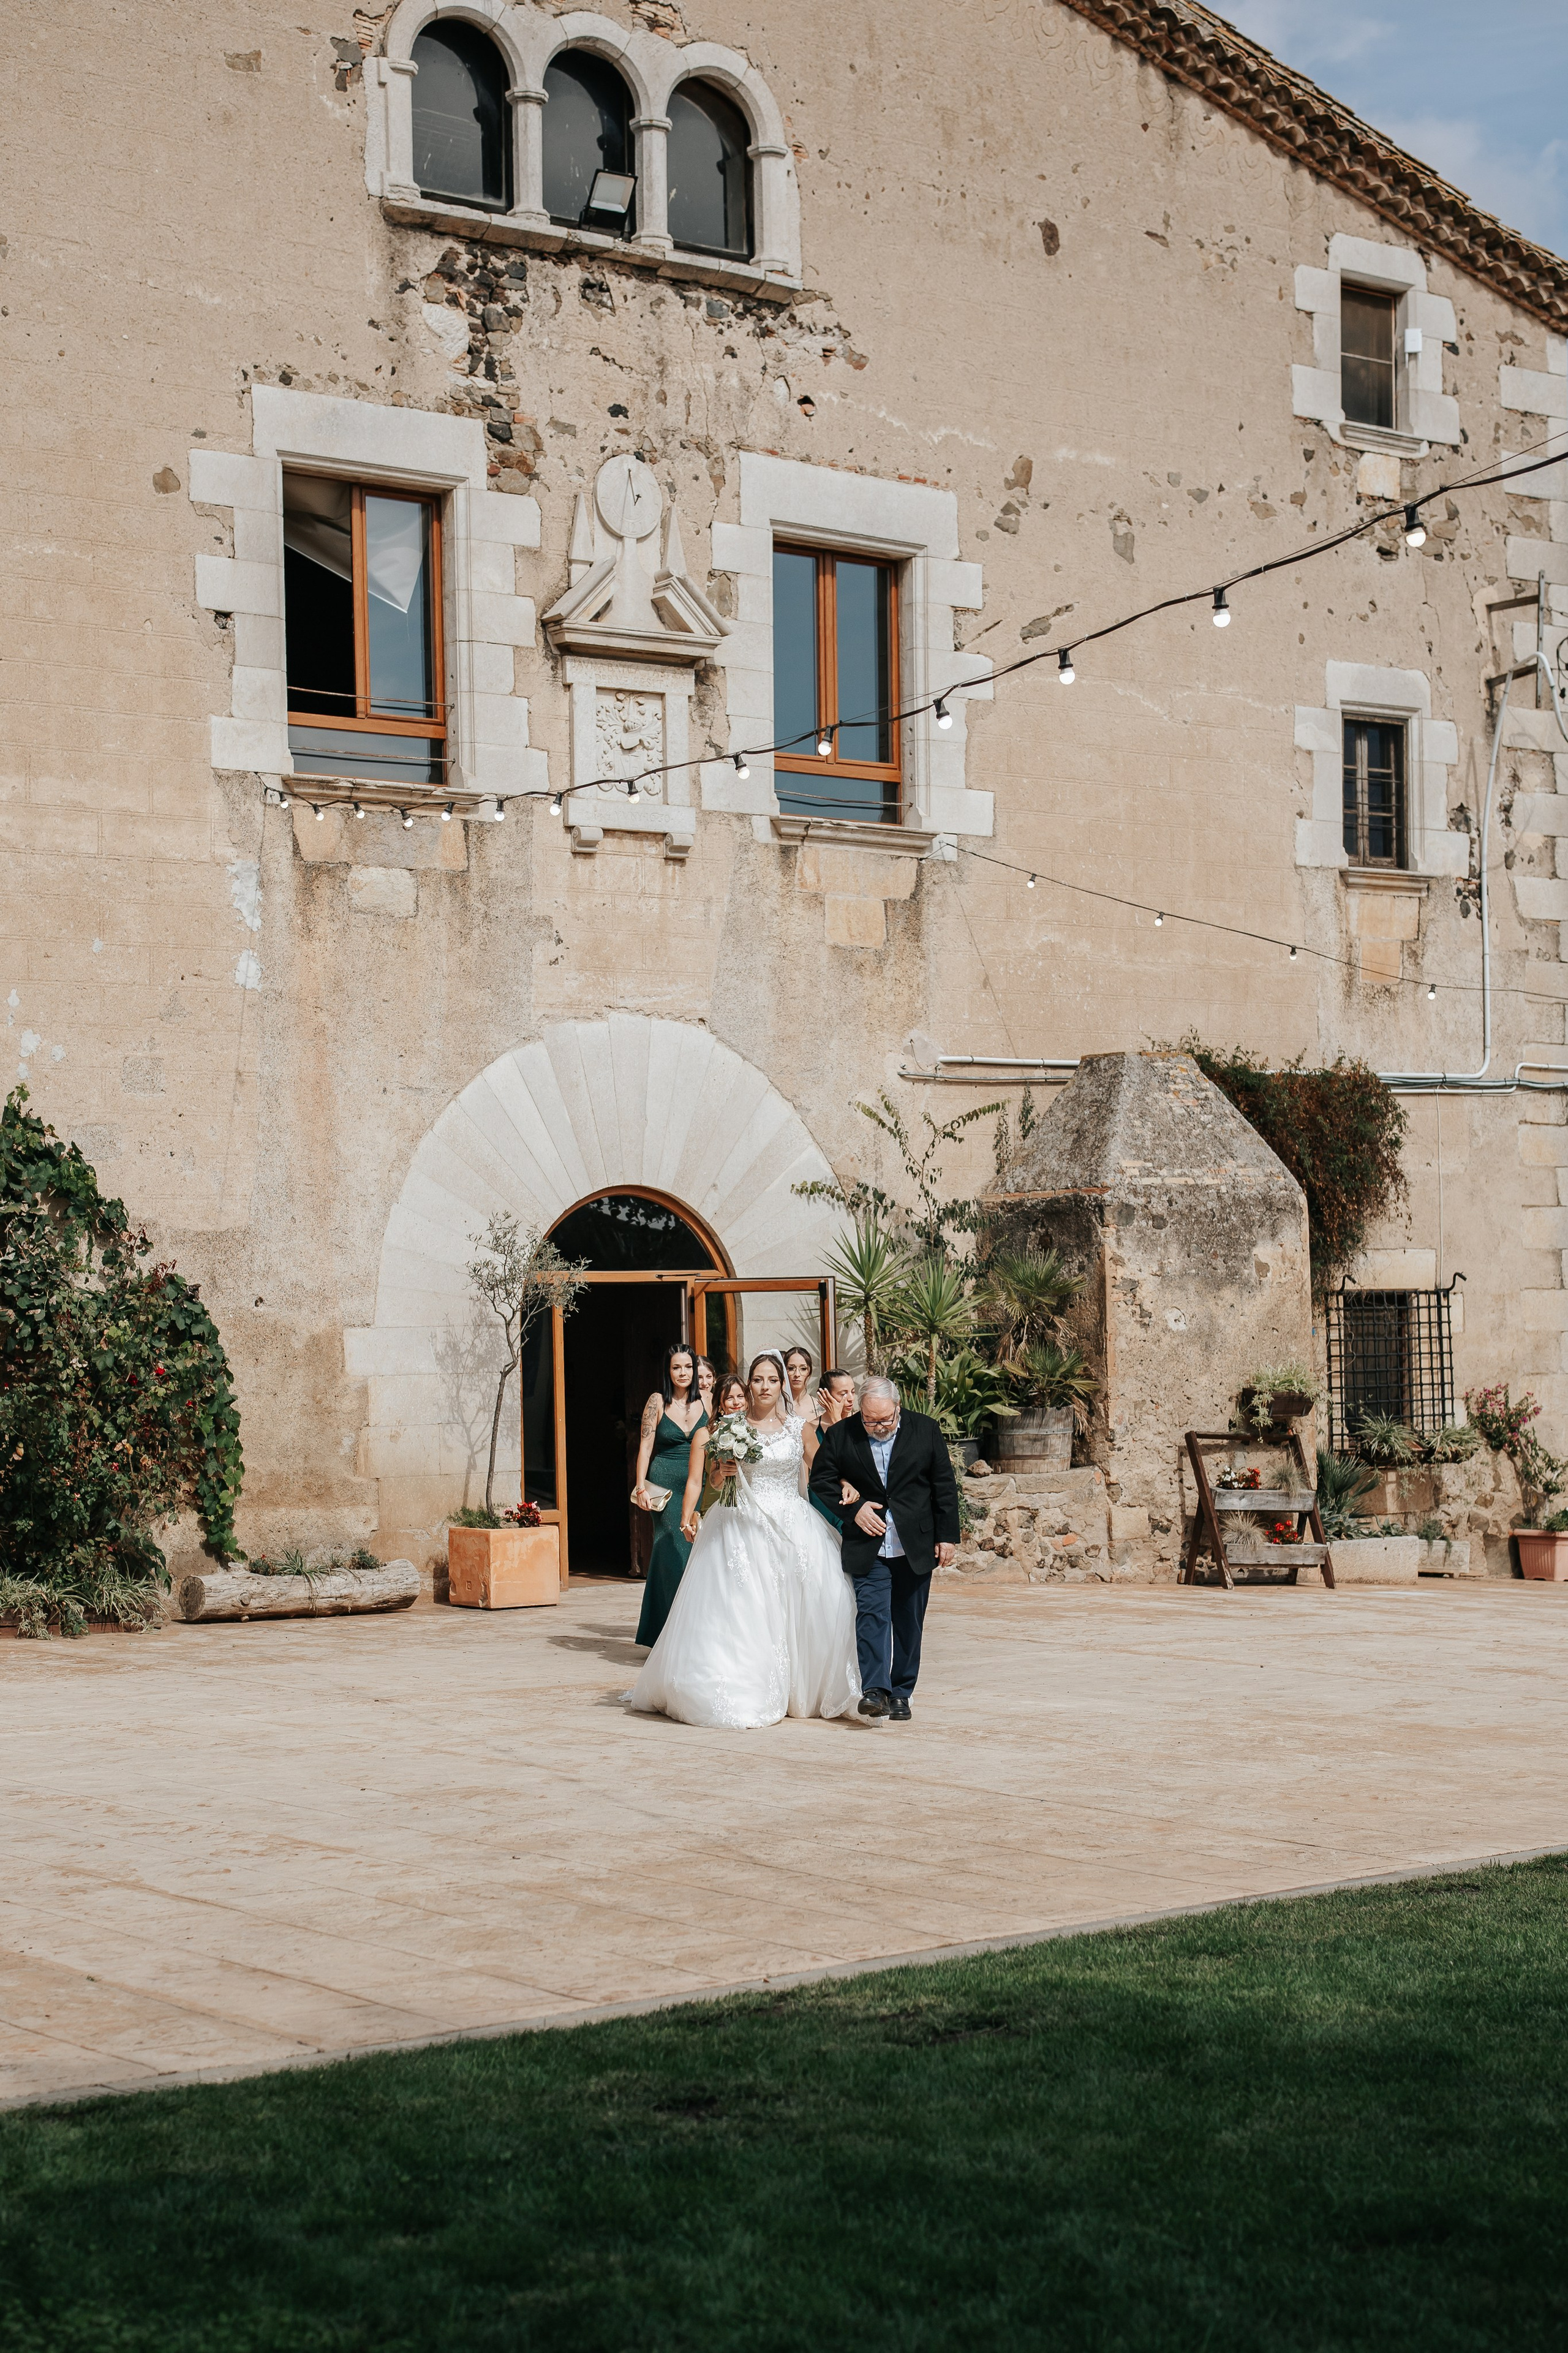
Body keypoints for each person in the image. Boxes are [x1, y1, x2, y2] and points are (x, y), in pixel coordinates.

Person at [626, 1354, 860, 1729]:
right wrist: (723, 1471)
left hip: (792, 1521)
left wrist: (847, 1485)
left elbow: (823, 1470)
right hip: (741, 1524)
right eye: (757, 1379)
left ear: (782, 1384)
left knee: (817, 1596)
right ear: (749, 1384)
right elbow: (716, 1484)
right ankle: (750, 1682)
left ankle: (802, 1688)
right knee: (744, 1608)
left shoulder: (799, 1427)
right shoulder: (731, 1428)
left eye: (772, 1379)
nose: (764, 1386)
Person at [807, 1373, 959, 1724]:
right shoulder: (841, 1435)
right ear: (860, 1410)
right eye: (870, 1420)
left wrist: (947, 1537)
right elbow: (821, 1480)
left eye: (886, 1419)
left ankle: (902, 1693)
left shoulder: (926, 1430)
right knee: (872, 1615)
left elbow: (944, 1486)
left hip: (915, 1544)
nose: (878, 1426)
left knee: (909, 1621)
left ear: (898, 1408)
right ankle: (875, 1690)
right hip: (868, 1545)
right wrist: (853, 1510)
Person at [631, 1342, 708, 1648]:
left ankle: (694, 1630)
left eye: (688, 1367)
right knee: (671, 1553)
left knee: (695, 1555)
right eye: (676, 1367)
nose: (683, 1373)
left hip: (698, 1483)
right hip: (664, 1485)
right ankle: (665, 1635)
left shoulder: (709, 1402)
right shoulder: (657, 1401)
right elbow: (646, 1447)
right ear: (668, 1370)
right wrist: (640, 1486)